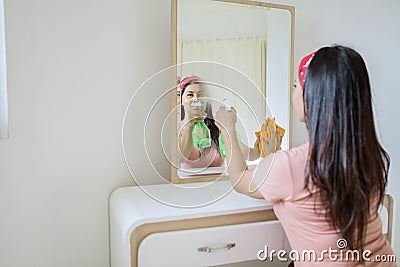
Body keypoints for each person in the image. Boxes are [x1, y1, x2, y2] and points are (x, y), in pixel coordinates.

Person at [215, 45, 395, 266]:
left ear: (312, 96)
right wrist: (273, 155)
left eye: (295, 86)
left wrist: (227, 128)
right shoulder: (370, 156)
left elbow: (240, 179)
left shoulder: (290, 166)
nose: (293, 93)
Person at [178, 75, 260, 169]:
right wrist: (190, 124)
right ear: (181, 100)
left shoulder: (218, 127)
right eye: (190, 95)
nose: (196, 99)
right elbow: (181, 158)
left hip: (220, 183)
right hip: (188, 184)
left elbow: (248, 154)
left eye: (201, 94)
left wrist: (260, 148)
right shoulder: (176, 128)